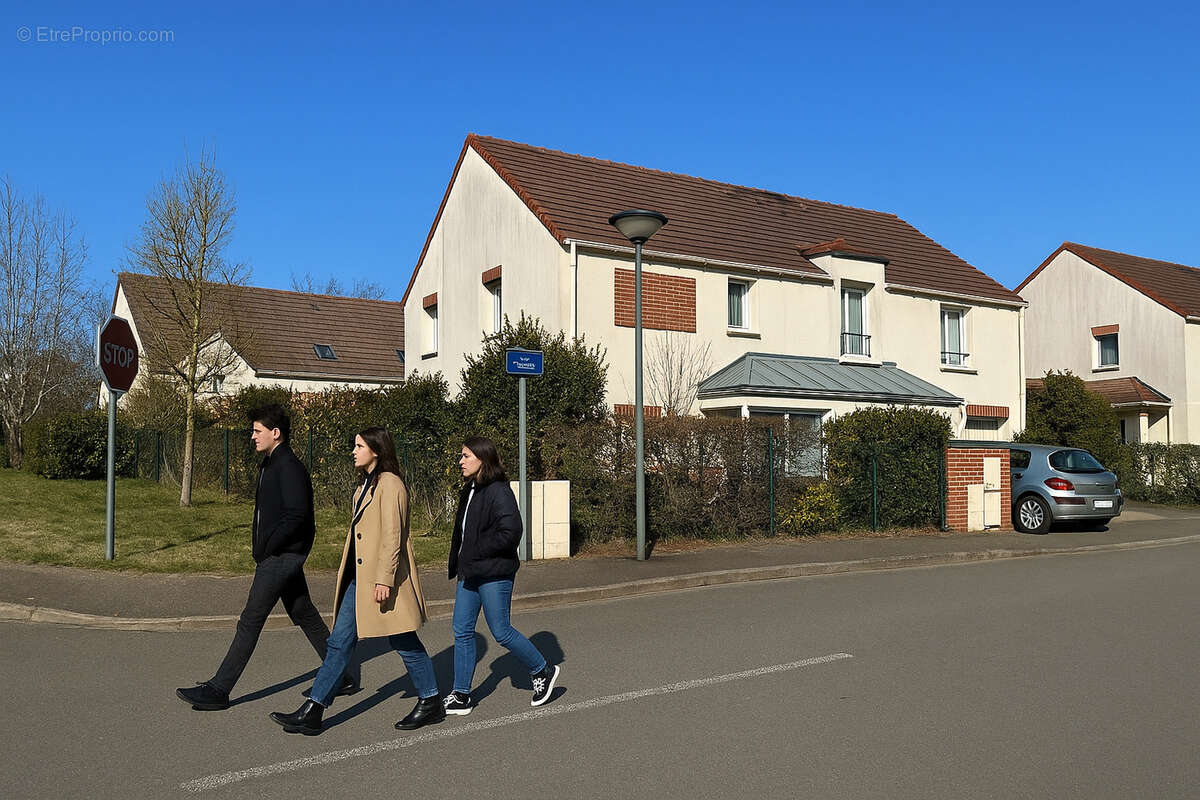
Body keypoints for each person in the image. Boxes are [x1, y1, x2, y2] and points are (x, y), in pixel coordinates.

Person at [176, 404, 356, 711]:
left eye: (257, 431)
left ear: (276, 433)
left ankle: (219, 690)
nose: (252, 437)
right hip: (280, 554)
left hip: (281, 557)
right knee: (303, 613)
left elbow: (298, 516)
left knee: (250, 620)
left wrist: (268, 547)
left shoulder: (290, 467)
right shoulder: (271, 463)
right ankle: (340, 675)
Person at [269, 427, 442, 735]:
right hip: (358, 579)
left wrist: (384, 579)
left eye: (359, 445)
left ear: (376, 450)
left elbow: (393, 536)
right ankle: (314, 710)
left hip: (381, 579)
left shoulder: (391, 484)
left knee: (402, 639)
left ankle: (430, 700)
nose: (354, 450)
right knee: (338, 643)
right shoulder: (366, 484)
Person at [442, 436, 560, 717]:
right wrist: (461, 559)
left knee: (501, 631)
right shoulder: (471, 489)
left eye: (466, 456)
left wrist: (477, 550)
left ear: (482, 459)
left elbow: (511, 532)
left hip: (494, 573)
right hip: (469, 573)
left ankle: (542, 669)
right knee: (462, 630)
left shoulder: (498, 490)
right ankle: (461, 694)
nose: (460, 461)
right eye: (461, 456)